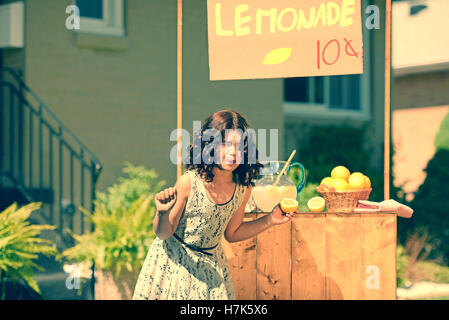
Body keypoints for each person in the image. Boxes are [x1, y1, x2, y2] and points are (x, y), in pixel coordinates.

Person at [132, 109, 295, 300]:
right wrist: (162, 213)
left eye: (240, 146)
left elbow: (232, 233)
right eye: (225, 144)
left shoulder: (243, 188)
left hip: (211, 270)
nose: (233, 153)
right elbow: (163, 233)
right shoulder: (189, 182)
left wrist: (271, 219)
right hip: (173, 266)